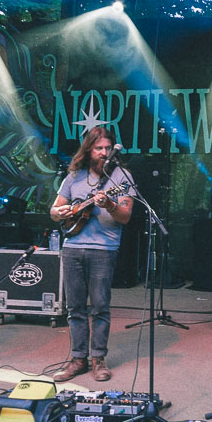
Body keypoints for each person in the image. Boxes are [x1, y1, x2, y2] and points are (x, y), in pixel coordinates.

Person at [49, 127, 135, 382]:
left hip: (103, 249)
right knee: (74, 307)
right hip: (73, 246)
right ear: (88, 150)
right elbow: (54, 210)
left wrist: (108, 203)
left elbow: (126, 217)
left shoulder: (122, 177)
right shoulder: (74, 177)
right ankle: (78, 359)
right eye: (99, 148)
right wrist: (60, 213)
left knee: (99, 306)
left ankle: (98, 358)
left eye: (108, 148)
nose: (104, 153)